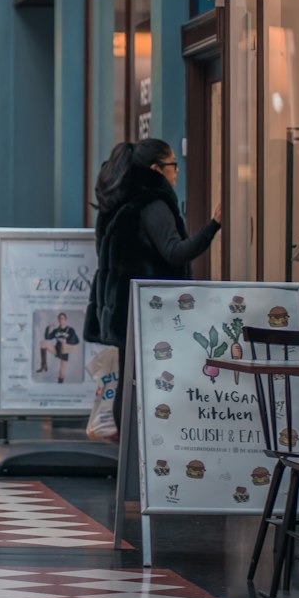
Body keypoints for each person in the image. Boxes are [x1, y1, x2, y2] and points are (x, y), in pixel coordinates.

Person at [85, 138, 221, 429]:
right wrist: (213, 225)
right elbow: (174, 252)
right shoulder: (153, 204)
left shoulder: (119, 202)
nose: (177, 172)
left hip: (126, 307)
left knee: (130, 379)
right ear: (156, 169)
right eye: (173, 165)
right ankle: (141, 460)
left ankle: (128, 459)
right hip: (152, 310)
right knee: (149, 383)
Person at [39, 312, 79, 383]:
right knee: (43, 343)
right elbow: (47, 337)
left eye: (62, 318)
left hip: (64, 351)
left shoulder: (70, 330)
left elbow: (76, 341)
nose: (61, 320)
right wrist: (48, 327)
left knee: (61, 374)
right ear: (58, 320)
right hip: (56, 350)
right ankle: (43, 365)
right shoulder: (56, 330)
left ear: (65, 319)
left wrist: (65, 341)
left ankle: (60, 386)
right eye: (59, 318)